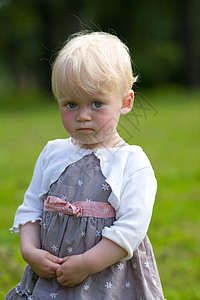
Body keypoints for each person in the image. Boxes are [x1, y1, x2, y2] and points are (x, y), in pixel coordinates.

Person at [5, 31, 165, 300]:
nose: (82, 116)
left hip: (108, 278)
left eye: (97, 103)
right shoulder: (52, 152)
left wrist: (87, 264)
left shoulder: (132, 162)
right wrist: (30, 252)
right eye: (71, 104)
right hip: (51, 276)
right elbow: (31, 207)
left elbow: (132, 227)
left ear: (125, 102)